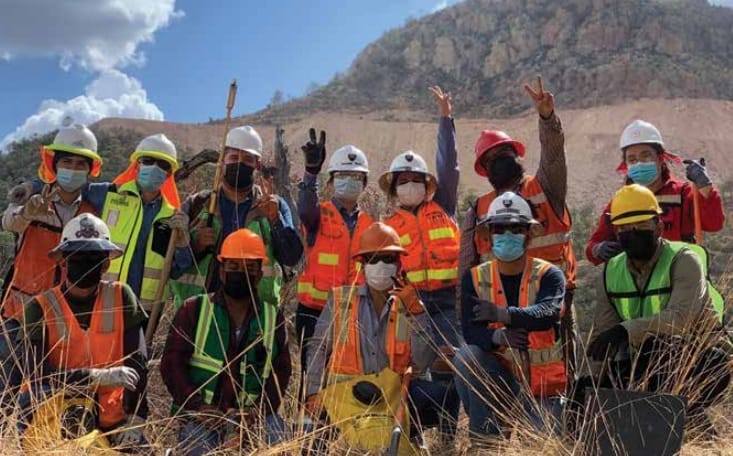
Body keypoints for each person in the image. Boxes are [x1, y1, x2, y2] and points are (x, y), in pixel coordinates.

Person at [584, 184, 730, 435]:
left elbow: (680, 319)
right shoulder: (610, 272)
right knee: (611, 384)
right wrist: (588, 384)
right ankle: (698, 438)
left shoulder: (684, 260)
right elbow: (602, 337)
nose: (633, 233)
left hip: (706, 362)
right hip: (643, 365)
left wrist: (624, 331)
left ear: (659, 227)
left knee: (659, 352)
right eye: (624, 228)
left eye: (641, 226)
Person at [458, 77, 576, 381]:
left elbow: (553, 155)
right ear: (485, 171)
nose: (499, 162)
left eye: (503, 155)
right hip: (499, 302)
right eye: (491, 159)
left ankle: (558, 423)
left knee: (561, 371)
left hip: (554, 298)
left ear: (517, 157)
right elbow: (467, 266)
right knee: (502, 374)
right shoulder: (478, 210)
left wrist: (547, 118)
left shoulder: (545, 187)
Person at [305, 222, 459, 451]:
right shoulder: (341, 301)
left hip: (395, 396)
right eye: (373, 259)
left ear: (398, 264)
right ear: (362, 264)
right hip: (347, 397)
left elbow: (424, 359)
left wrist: (416, 311)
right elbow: (318, 347)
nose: (380, 265)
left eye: (388, 259)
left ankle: (442, 448)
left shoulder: (410, 305)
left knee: (447, 397)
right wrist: (314, 392)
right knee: (308, 439)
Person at [13, 213, 149, 451]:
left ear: (105, 263)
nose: (85, 263)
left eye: (93, 257)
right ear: (63, 261)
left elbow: (138, 363)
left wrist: (136, 418)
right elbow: (38, 375)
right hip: (53, 412)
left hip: (111, 416)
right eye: (78, 256)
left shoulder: (121, 296)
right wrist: (94, 377)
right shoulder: (40, 307)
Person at [161, 228, 291, 455]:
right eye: (233, 267)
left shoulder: (273, 318)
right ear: (221, 272)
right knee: (199, 446)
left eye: (249, 268)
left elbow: (280, 374)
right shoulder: (194, 309)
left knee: (279, 437)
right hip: (201, 419)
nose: (240, 273)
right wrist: (199, 407)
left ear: (259, 275)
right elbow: (172, 365)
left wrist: (257, 413)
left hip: (252, 420)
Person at [454, 192, 566, 449]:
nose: (507, 234)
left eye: (516, 228)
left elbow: (548, 312)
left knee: (541, 449)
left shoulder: (550, 275)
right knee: (467, 356)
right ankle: (486, 441)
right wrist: (500, 337)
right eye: (499, 228)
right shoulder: (475, 278)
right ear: (488, 235)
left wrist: (503, 315)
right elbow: (472, 333)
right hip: (499, 378)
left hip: (542, 386)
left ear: (528, 234)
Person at [169, 125, 302, 308]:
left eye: (248, 159)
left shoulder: (273, 205)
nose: (240, 164)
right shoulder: (197, 204)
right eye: (234, 157)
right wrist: (195, 246)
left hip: (255, 316)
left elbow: (292, 257)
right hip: (198, 314)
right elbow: (171, 267)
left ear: (257, 165)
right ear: (222, 161)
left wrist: (275, 220)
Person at [378, 86, 461, 354]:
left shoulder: (443, 204)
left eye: (416, 180)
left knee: (449, 364)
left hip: (449, 300)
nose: (410, 185)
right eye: (403, 181)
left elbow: (448, 165)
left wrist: (445, 118)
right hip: (409, 303)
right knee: (414, 364)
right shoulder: (388, 226)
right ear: (394, 189)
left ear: (427, 186)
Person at [296, 135, 374, 396]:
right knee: (312, 380)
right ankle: (306, 432)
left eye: (356, 177)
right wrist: (310, 174)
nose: (350, 181)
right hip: (313, 311)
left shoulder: (371, 226)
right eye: (343, 175)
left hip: (352, 315)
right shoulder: (318, 214)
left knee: (344, 380)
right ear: (330, 181)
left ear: (364, 183)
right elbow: (305, 207)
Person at [585, 119, 725, 265]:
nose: (639, 163)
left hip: (679, 275)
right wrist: (598, 249)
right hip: (637, 281)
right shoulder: (620, 202)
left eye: (645, 156)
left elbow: (714, 224)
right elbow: (592, 249)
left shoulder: (683, 193)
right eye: (632, 159)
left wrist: (705, 186)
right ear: (625, 165)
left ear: (660, 158)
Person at [1, 123, 101, 322]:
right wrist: (27, 213)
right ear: (55, 165)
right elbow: (9, 224)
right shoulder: (32, 198)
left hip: (63, 317)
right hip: (19, 314)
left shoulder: (91, 214)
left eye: (81, 164)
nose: (73, 168)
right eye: (67, 161)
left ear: (90, 169)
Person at [82, 134, 191, 315]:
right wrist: (32, 187)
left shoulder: (172, 217)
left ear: (169, 174)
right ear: (137, 164)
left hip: (144, 312)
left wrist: (183, 243)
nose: (155, 168)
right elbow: (66, 188)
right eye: (148, 160)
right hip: (103, 302)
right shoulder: (106, 194)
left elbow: (178, 270)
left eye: (163, 165)